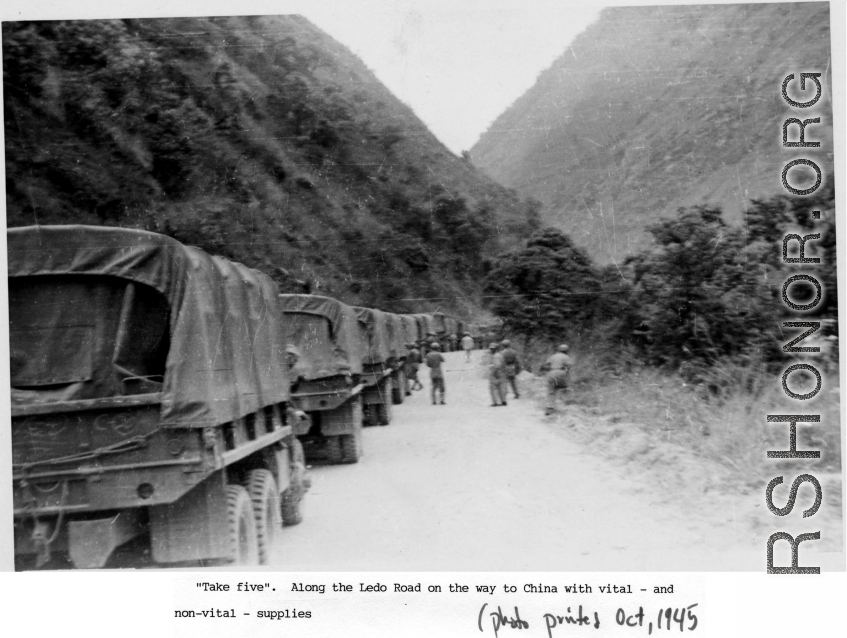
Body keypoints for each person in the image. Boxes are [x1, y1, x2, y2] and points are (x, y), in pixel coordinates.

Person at [542, 344, 574, 415]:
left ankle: (549, 408)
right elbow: (569, 366)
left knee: (551, 391)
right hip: (561, 372)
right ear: (566, 351)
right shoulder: (566, 357)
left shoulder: (553, 356)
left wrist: (551, 369)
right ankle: (568, 403)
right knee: (566, 387)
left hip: (551, 373)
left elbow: (546, 365)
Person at [487, 342, 507, 407]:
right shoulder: (500, 355)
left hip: (496, 373)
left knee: (493, 388)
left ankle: (495, 402)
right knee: (501, 388)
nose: (491, 350)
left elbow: (496, 366)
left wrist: (492, 374)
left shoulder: (495, 356)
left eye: (492, 349)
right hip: (502, 373)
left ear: (495, 349)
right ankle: (503, 401)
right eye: (491, 349)